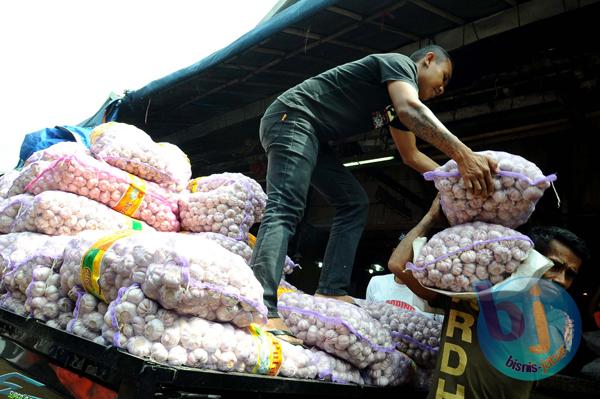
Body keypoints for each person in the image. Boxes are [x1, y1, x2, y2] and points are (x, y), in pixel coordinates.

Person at [250, 44, 499, 333]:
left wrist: (452, 180)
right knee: (285, 207)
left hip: (313, 135)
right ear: (428, 60)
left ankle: (331, 288)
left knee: (354, 202)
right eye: (443, 78)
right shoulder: (399, 65)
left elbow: (411, 155)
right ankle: (259, 306)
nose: (442, 89)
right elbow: (411, 109)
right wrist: (464, 155)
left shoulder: (396, 108)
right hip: (292, 117)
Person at [388, 197, 590, 399]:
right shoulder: (468, 295)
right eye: (555, 266)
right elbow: (398, 265)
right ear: (533, 260)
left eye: (570, 274)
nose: (562, 280)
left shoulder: (559, 323)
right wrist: (430, 218)